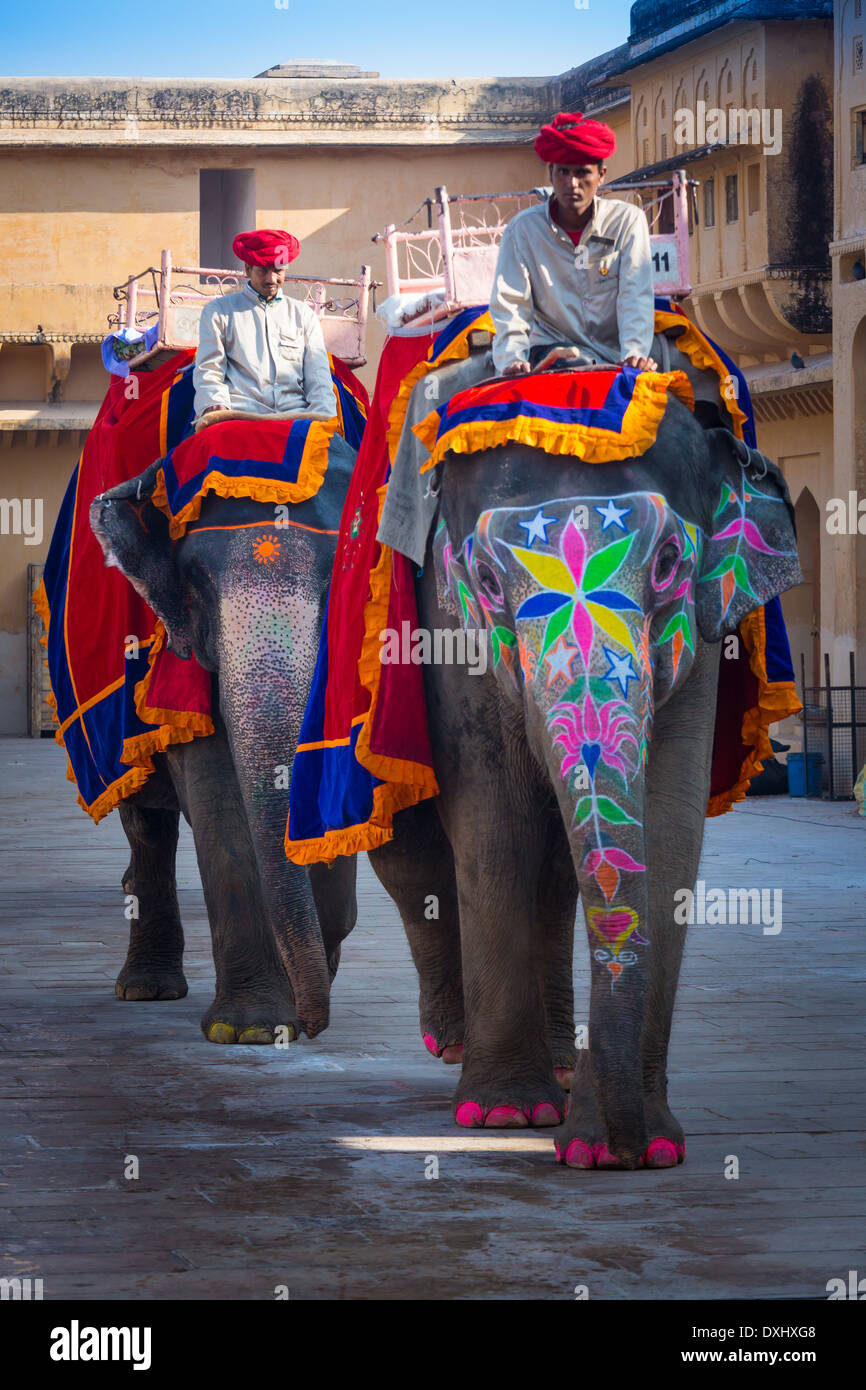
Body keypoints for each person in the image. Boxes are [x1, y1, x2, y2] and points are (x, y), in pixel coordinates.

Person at [490, 112, 658, 377]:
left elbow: (635, 295)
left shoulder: (627, 221)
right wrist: (512, 360)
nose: (572, 184)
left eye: (582, 173)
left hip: (616, 355)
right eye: (563, 172)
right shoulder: (523, 230)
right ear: (550, 173)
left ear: (601, 175)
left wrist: (635, 355)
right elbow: (510, 304)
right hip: (553, 355)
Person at [193, 228, 336, 422]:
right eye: (263, 270)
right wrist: (214, 404)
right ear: (248, 269)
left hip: (296, 418)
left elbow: (318, 376)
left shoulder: (303, 315)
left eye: (278, 271)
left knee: (345, 452)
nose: (271, 279)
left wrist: (324, 419)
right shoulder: (218, 312)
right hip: (239, 417)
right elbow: (210, 370)